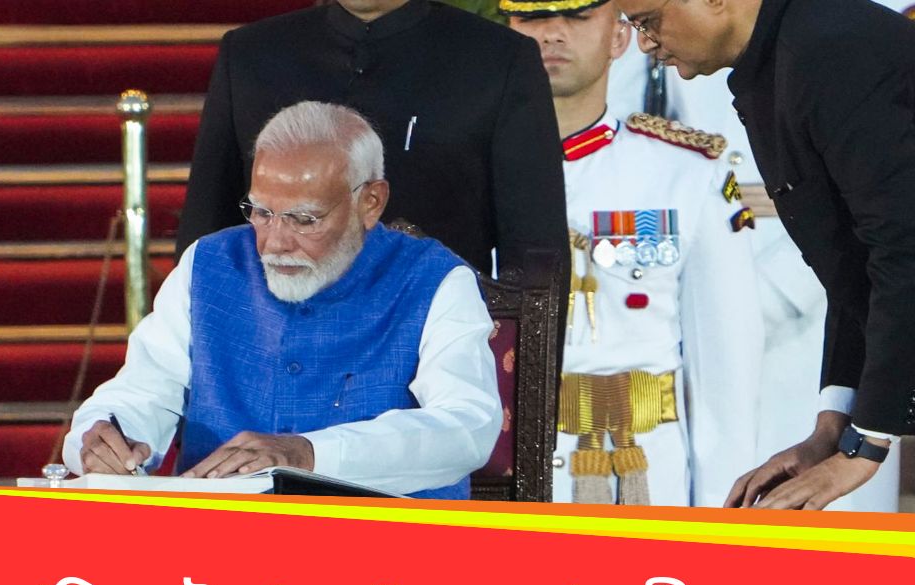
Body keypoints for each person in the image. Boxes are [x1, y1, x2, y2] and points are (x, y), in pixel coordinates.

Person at [65, 101, 502, 498]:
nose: (274, 242)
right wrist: (108, 436)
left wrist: (307, 454)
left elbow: (466, 428)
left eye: (304, 219)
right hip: (223, 537)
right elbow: (145, 389)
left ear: (370, 202)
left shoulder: (435, 280)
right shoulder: (209, 264)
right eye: (261, 212)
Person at [611, 0, 915, 509]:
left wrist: (867, 442)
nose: (644, 43)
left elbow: (903, 245)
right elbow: (854, 260)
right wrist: (834, 425)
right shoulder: (780, 58)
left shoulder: (832, 47)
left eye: (648, 21)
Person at [502, 0, 764, 506]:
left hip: (641, 470)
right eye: (531, 18)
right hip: (499, 474)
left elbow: (725, 372)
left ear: (620, 37)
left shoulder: (687, 172)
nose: (552, 33)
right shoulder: (464, 168)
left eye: (578, 17)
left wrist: (723, 516)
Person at [176, 0, 568, 275]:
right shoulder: (253, 55)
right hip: (271, 344)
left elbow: (536, 251)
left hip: (435, 347)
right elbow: (206, 232)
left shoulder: (496, 59)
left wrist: (525, 367)